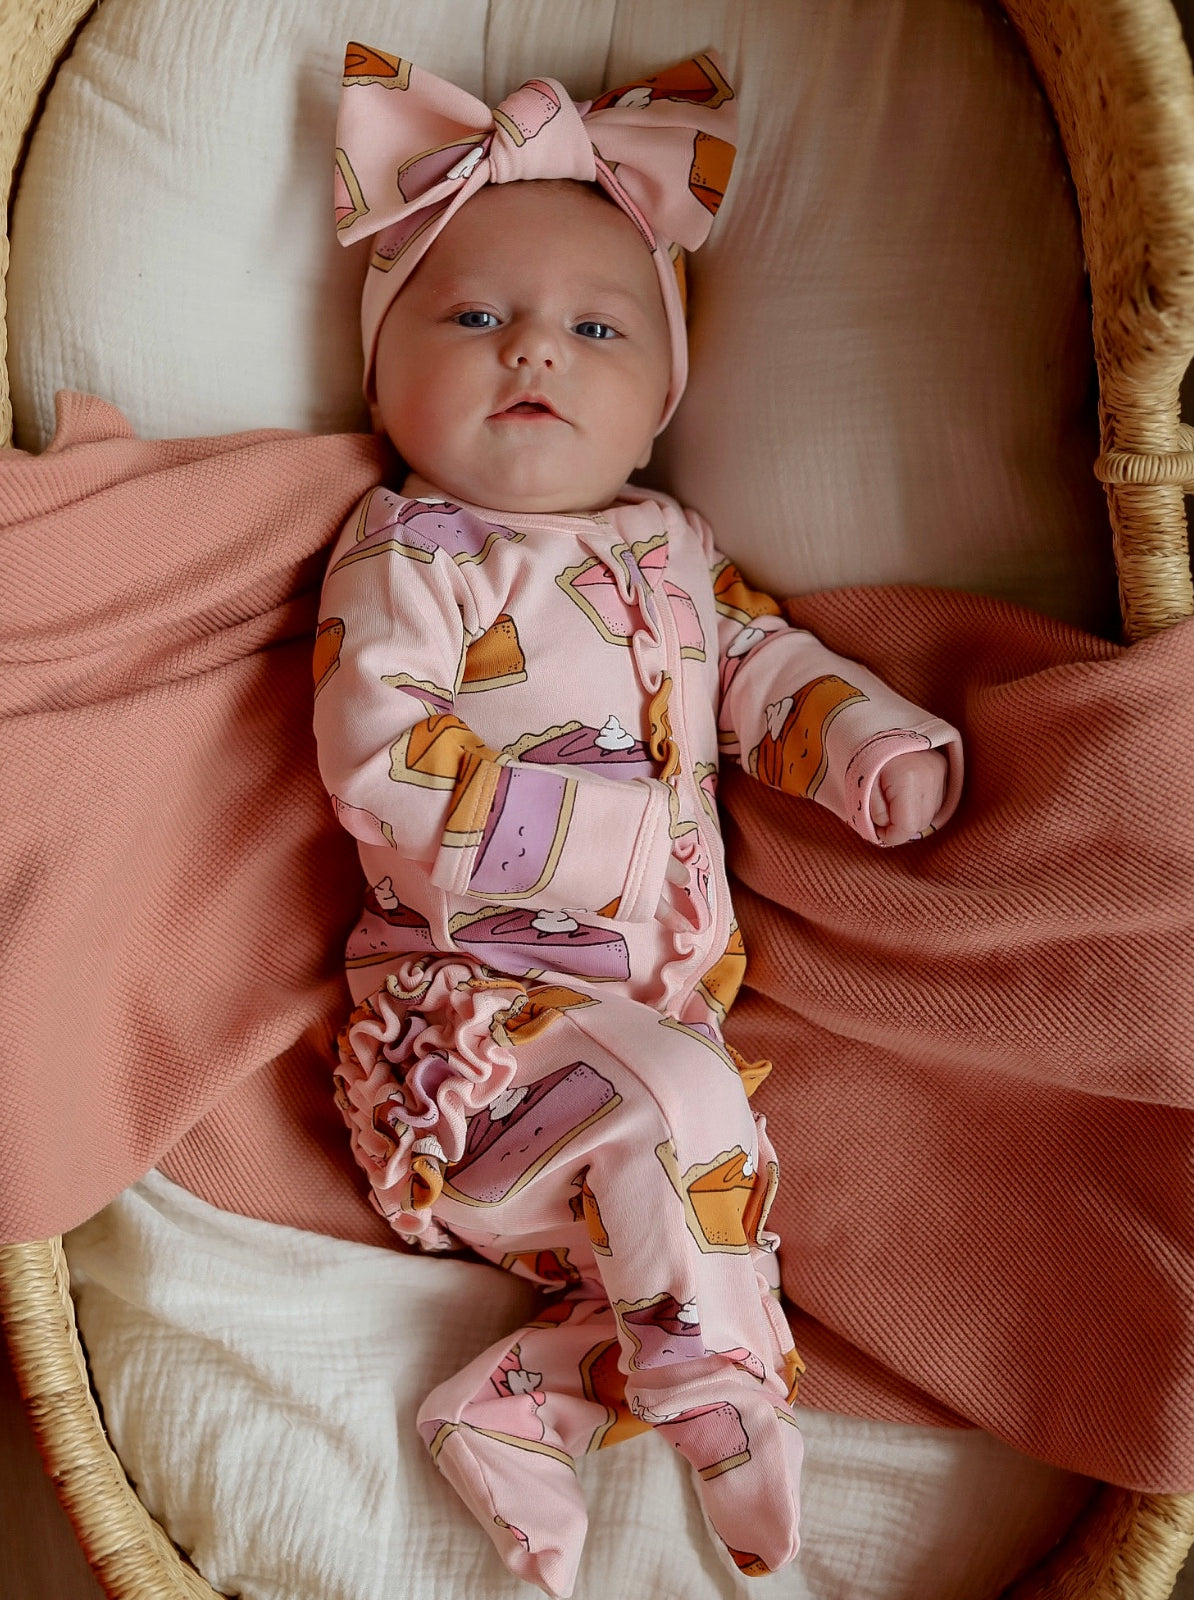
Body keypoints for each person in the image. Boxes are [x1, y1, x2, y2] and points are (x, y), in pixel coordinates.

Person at [315, 44, 963, 1599]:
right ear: (384, 371)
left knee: (698, 1196)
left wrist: (855, 736)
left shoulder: (668, 548)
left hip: (646, 1053)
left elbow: (750, 662)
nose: (533, 347)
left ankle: (525, 1400)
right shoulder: (413, 553)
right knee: (683, 1128)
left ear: (659, 401)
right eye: (472, 316)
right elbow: (376, 758)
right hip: (468, 1052)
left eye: (595, 329)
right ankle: (722, 1404)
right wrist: (590, 840)